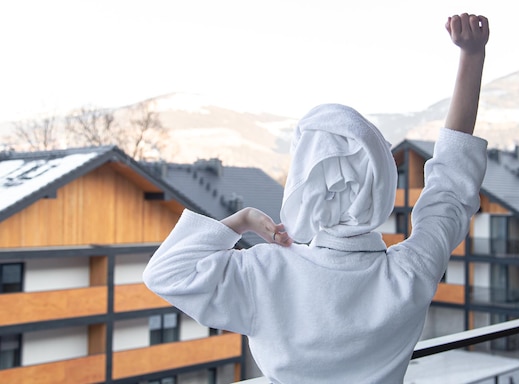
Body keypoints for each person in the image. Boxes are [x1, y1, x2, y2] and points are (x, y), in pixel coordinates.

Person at [144, 13, 490, 384]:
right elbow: (451, 187)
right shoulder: (410, 272)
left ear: (302, 187)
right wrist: (472, 55)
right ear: (382, 184)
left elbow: (166, 273)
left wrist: (241, 220)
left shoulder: (267, 272)